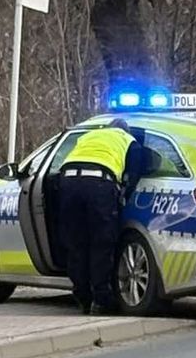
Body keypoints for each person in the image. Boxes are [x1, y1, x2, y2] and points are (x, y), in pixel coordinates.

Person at [58, 119, 142, 315]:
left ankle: (82, 297)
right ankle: (101, 299)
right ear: (125, 130)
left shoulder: (88, 136)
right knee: (101, 243)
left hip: (68, 182)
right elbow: (135, 172)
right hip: (99, 184)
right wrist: (124, 196)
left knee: (76, 242)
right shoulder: (128, 140)